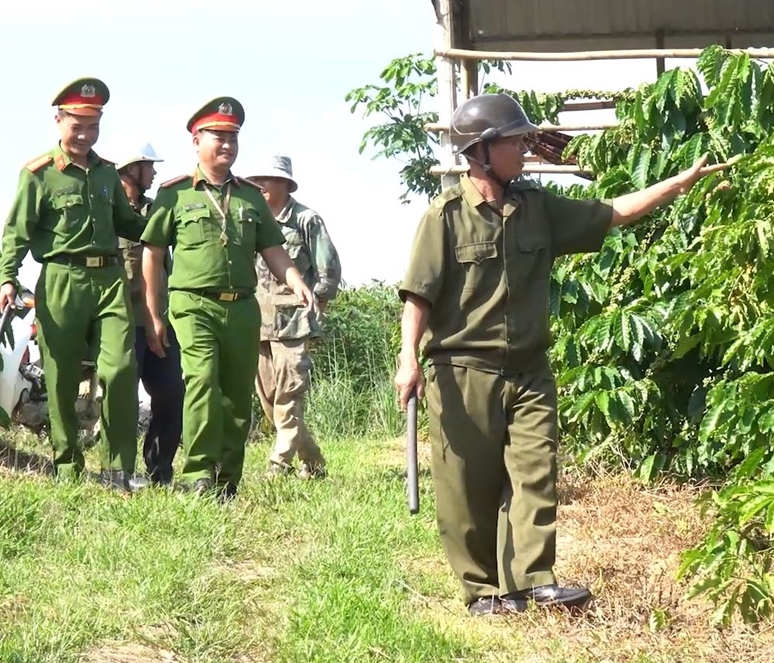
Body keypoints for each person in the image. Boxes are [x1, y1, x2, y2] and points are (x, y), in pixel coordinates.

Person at [392, 93, 734, 616]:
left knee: (535, 474)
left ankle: (531, 580)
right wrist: (408, 359)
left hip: (529, 368)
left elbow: (615, 212)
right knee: (467, 488)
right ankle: (484, 591)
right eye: (514, 140)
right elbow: (418, 293)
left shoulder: (538, 209)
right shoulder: (445, 217)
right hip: (463, 370)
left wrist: (678, 184)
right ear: (481, 151)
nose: (525, 148)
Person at [139, 97, 319, 501]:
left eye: (233, 138)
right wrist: (154, 313)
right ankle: (197, 473)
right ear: (196, 140)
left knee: (237, 395)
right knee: (201, 381)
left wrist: (295, 279)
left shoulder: (250, 198)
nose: (227, 145)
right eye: (218, 136)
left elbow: (273, 249)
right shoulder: (175, 195)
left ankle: (227, 479)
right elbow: (152, 252)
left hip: (241, 307)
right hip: (192, 304)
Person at [0, 77, 147, 491]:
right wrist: (7, 276)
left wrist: (170, 217)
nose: (85, 134)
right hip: (62, 280)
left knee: (119, 369)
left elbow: (131, 223)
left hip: (110, 279)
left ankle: (118, 469)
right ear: (58, 120)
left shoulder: (107, 174)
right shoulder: (39, 174)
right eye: (77, 124)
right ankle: (67, 464)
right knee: (60, 375)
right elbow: (17, 232)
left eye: (93, 126)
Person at [247, 154, 343, 481]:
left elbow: (328, 271)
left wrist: (315, 307)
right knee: (271, 401)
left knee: (290, 394)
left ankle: (278, 465)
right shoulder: (251, 219)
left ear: (285, 184)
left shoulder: (306, 220)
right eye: (254, 179)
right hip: (257, 322)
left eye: (266, 179)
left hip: (293, 322)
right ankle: (312, 460)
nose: (258, 185)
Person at [113, 141, 186, 488]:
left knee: (172, 392)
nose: (154, 173)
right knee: (123, 398)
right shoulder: (108, 213)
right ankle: (120, 473)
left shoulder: (159, 211)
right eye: (148, 166)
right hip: (122, 324)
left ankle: (160, 470)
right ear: (130, 168)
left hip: (158, 321)